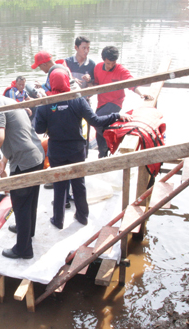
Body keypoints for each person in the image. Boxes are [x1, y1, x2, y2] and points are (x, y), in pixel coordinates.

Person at [34, 68, 133, 229]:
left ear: (50, 83)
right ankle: (82, 217)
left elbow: (38, 129)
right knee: (78, 183)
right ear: (67, 81)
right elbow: (95, 120)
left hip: (57, 151)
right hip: (76, 150)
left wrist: (50, 121)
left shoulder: (46, 104)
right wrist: (116, 115)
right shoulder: (77, 100)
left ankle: (58, 220)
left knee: (59, 185)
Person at [0, 79, 45, 259]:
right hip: (36, 156)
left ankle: (23, 249)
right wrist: (4, 160)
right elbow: (17, 133)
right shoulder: (9, 101)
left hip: (24, 162)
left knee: (21, 205)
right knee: (31, 200)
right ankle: (27, 231)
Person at [93, 46, 153, 158]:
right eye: (108, 63)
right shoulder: (97, 68)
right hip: (101, 103)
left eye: (113, 63)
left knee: (97, 121)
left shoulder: (121, 70)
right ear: (103, 60)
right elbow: (95, 84)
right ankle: (102, 155)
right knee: (100, 131)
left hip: (115, 103)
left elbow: (131, 83)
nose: (111, 66)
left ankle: (114, 138)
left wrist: (141, 93)